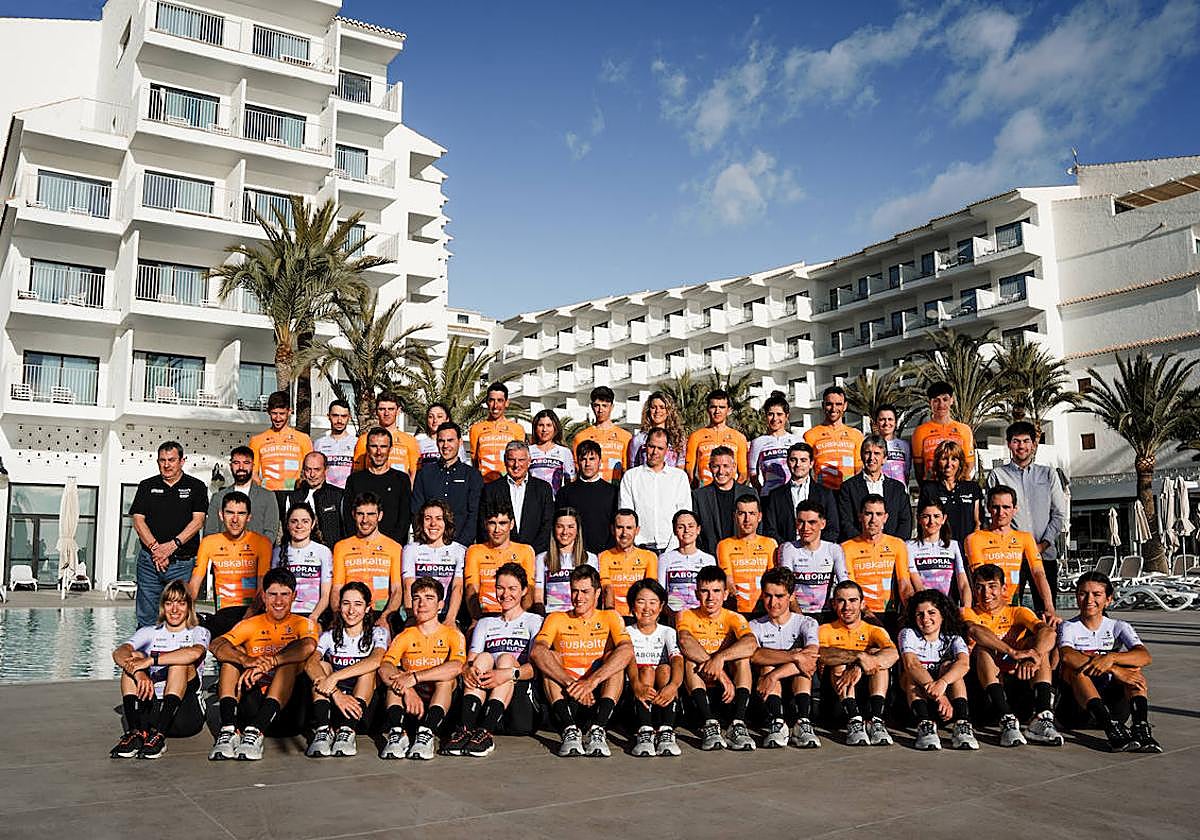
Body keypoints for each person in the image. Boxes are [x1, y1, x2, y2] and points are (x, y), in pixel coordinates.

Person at [208, 567, 318, 761]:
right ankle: (228, 731)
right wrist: (247, 660)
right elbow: (216, 644)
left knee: (290, 663)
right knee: (230, 660)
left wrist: (270, 663)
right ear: (263, 597)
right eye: (272, 594)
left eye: (285, 595)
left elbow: (308, 646)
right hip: (254, 701)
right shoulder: (251, 623)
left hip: (288, 711)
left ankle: (256, 732)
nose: (278, 601)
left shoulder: (304, 623)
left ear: (294, 596)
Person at [531, 564, 634, 757]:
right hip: (567, 693)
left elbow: (627, 650)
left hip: (599, 696)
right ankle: (569, 731)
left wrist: (591, 682)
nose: (579, 598)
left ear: (597, 594)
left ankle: (598, 730)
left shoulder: (610, 616)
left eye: (585, 592)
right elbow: (537, 651)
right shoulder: (556, 618)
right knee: (550, 657)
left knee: (616, 660)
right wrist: (573, 685)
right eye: (575, 591)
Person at [443, 563, 545, 757]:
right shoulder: (485, 623)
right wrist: (470, 670)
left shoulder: (534, 621)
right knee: (482, 658)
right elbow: (470, 661)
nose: (505, 594)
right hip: (486, 694)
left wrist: (506, 674)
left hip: (520, 702)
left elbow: (536, 668)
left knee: (506, 659)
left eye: (512, 588)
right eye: (500, 588)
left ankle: (486, 732)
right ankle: (466, 728)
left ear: (524, 590)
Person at [1057, 571, 1161, 753]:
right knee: (1074, 670)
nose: (1089, 599)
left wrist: (1112, 657)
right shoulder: (1069, 627)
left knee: (1134, 669)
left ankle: (1141, 728)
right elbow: (1066, 655)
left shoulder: (1118, 626)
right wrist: (1114, 668)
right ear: (1076, 597)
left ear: (1108, 599)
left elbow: (1145, 656)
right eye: (1083, 593)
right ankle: (1110, 728)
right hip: (1076, 711)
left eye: (1096, 594)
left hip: (1115, 707)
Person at [961, 563, 1061, 747]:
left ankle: (1042, 715)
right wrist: (1012, 652)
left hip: (1019, 680)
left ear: (1004, 588)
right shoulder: (969, 612)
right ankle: (1006, 719)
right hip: (985, 687)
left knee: (1038, 645)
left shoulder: (1017, 611)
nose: (986, 594)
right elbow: (975, 631)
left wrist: (1034, 656)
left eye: (992, 587)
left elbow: (1049, 633)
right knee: (984, 648)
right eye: (980, 587)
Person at [110, 581, 210, 759]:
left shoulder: (198, 631)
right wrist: (139, 673)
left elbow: (194, 653)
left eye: (181, 603)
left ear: (189, 606)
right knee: (132, 660)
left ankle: (160, 736)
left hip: (185, 714)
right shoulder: (150, 631)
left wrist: (151, 660)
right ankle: (135, 733)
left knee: (179, 663)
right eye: (169, 603)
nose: (174, 609)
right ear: (163, 606)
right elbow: (119, 652)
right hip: (154, 707)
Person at [377, 577, 466, 759]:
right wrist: (407, 687)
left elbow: (457, 666)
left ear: (441, 605)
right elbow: (385, 667)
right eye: (416, 598)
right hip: (412, 701)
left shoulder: (453, 634)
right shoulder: (405, 635)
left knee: (445, 679)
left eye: (429, 598)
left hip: (441, 702)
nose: (421, 603)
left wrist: (415, 677)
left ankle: (427, 734)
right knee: (395, 680)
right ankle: (397, 733)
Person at [987, 421, 1068, 614]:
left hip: (1044, 554)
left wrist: (1042, 545)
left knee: (1046, 610)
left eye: (1026, 441)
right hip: (1010, 557)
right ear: (1009, 444)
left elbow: (1059, 514)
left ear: (1033, 444)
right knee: (1007, 609)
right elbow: (990, 515)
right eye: (1016, 441)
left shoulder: (1048, 474)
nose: (1021, 446)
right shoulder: (998, 475)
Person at [675, 565, 758, 751]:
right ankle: (709, 724)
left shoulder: (734, 617)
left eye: (716, 591)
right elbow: (685, 641)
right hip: (700, 686)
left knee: (742, 659)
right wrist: (720, 672)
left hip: (727, 692)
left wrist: (720, 658)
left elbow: (751, 644)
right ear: (697, 594)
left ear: (726, 594)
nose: (710, 597)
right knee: (690, 660)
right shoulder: (686, 614)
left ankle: (738, 723)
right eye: (705, 591)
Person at [303, 581, 387, 757]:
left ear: (367, 608)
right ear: (339, 606)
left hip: (362, 708)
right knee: (322, 666)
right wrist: (335, 692)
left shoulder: (378, 632)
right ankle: (323, 731)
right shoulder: (328, 636)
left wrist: (334, 677)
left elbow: (376, 660)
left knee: (367, 671)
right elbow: (310, 664)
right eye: (346, 603)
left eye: (358, 604)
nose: (351, 610)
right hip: (334, 702)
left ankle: (347, 731)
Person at [130, 441, 208, 628]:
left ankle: (177, 655)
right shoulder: (146, 486)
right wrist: (157, 549)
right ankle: (146, 655)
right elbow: (138, 521)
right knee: (147, 618)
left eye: (171, 460)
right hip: (150, 562)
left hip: (182, 563)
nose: (166, 465)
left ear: (182, 461)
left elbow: (198, 521)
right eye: (162, 460)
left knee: (179, 616)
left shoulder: (196, 487)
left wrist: (171, 547)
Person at [817, 580, 898, 746]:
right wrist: (859, 656)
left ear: (862, 604)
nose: (847, 607)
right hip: (836, 696)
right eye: (841, 601)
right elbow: (820, 655)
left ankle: (876, 721)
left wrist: (860, 665)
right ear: (833, 604)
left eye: (853, 601)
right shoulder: (824, 629)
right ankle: (854, 721)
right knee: (837, 662)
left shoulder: (874, 630)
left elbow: (893, 654)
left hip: (868, 692)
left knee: (877, 658)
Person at [965, 485, 1058, 626]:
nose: (1000, 512)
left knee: (1048, 632)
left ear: (1015, 509)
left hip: (1013, 608)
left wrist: (1049, 607)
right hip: (985, 609)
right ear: (989, 509)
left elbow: (1038, 573)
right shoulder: (974, 539)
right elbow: (981, 577)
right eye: (995, 507)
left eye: (1006, 507)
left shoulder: (1025, 538)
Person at [749, 567, 821, 749]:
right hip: (768, 693)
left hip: (795, 685)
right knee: (767, 666)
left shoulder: (807, 622)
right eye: (768, 596)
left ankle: (803, 723)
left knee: (802, 668)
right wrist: (794, 655)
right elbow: (755, 655)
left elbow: (811, 657)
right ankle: (777, 723)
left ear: (791, 596)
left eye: (779, 596)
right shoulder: (754, 625)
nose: (773, 603)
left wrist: (774, 676)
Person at [898, 589, 977, 751]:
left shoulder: (953, 637)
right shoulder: (908, 634)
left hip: (948, 700)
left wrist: (942, 683)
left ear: (942, 614)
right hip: (920, 698)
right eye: (920, 614)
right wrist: (940, 696)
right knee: (910, 675)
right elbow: (912, 664)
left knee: (950, 667)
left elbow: (964, 664)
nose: (925, 619)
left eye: (931, 612)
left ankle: (962, 724)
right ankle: (924, 725)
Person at [187, 491, 273, 638]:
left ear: (249, 517)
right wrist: (184, 615)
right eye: (230, 513)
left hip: (252, 613)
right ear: (221, 515)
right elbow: (194, 586)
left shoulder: (262, 543)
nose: (235, 519)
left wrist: (244, 621)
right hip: (223, 614)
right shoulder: (209, 543)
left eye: (241, 514)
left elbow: (262, 590)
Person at [624, 578, 685, 756]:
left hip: (663, 697)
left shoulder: (668, 632)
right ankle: (645, 731)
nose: (646, 608)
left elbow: (678, 661)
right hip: (634, 697)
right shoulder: (626, 632)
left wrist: (673, 686)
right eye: (641, 602)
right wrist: (637, 685)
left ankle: (666, 731)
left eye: (653, 602)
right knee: (646, 670)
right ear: (632, 606)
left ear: (661, 606)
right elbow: (628, 663)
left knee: (665, 669)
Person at [331, 493, 405, 629]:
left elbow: (397, 590)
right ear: (353, 515)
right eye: (360, 514)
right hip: (350, 614)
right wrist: (338, 615)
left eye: (371, 514)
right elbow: (336, 589)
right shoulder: (341, 547)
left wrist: (385, 617)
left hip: (380, 613)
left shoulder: (394, 547)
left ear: (380, 516)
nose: (365, 520)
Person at [840, 494, 913, 626]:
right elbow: (849, 589)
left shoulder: (898, 544)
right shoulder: (846, 548)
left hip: (890, 613)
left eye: (878, 514)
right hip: (859, 614)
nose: (873, 519)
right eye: (868, 513)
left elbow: (904, 584)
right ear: (860, 516)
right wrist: (866, 613)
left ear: (885, 518)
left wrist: (911, 609)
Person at [618, 428, 693, 553]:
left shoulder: (679, 477)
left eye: (660, 448)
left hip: (672, 548)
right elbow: (626, 514)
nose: (654, 452)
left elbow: (684, 514)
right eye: (651, 446)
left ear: (667, 450)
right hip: (639, 547)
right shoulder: (631, 476)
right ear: (645, 447)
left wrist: (673, 546)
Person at [411, 421, 483, 548]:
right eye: (441, 441)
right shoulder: (424, 474)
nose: (445, 445)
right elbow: (417, 511)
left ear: (460, 442)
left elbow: (474, 514)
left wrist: (460, 546)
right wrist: (425, 541)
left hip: (461, 546)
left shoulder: (472, 475)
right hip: (428, 546)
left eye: (450, 440)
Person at [477, 440, 554, 553]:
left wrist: (531, 553)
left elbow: (547, 525)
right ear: (505, 460)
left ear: (529, 461)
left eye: (521, 460)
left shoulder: (543, 489)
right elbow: (483, 526)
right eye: (512, 460)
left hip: (535, 556)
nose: (516, 465)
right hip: (500, 555)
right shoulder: (491, 490)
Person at [465, 502, 536, 618]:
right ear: (485, 524)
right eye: (492, 523)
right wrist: (476, 620)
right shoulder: (475, 551)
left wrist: (520, 619)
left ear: (512, 524)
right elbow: (471, 589)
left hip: (516, 614)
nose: (497, 529)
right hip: (485, 615)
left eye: (503, 523)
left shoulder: (525, 551)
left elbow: (529, 590)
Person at [776, 500, 847, 616]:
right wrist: (801, 618)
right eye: (801, 522)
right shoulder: (788, 548)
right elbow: (785, 588)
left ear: (823, 524)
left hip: (827, 614)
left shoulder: (834, 549)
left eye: (812, 522)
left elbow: (844, 583)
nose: (805, 528)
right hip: (796, 613)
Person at [342, 427, 412, 544]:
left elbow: (404, 519)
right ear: (367, 449)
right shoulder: (355, 480)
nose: (379, 452)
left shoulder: (401, 480)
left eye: (383, 447)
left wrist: (390, 545)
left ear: (390, 449)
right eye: (374, 446)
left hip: (391, 547)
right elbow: (349, 516)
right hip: (360, 547)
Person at [249, 390, 313, 515]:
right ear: (268, 412)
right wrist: (261, 492)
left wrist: (301, 487)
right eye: (274, 413)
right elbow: (253, 473)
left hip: (295, 494)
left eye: (282, 414)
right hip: (269, 495)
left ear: (289, 412)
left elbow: (309, 469)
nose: (278, 418)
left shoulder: (303, 439)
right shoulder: (257, 440)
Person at [837, 434, 912, 542]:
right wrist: (864, 543)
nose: (872, 458)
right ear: (862, 456)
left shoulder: (898, 488)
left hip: (891, 551)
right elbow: (845, 522)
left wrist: (892, 545)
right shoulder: (848, 487)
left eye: (877, 453)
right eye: (868, 453)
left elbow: (905, 522)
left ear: (884, 458)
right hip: (859, 549)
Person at [403, 500, 466, 624]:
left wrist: (450, 619)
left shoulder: (459, 550)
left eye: (438, 518)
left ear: (446, 522)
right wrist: (411, 617)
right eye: (428, 518)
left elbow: (457, 587)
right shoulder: (410, 549)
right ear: (421, 522)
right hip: (419, 615)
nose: (433, 524)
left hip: (446, 614)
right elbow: (408, 585)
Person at [763, 442, 839, 544]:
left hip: (818, 554)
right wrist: (788, 548)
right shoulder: (775, 496)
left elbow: (832, 529)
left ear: (811, 463)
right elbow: (770, 530)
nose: (798, 464)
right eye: (793, 460)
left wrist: (816, 549)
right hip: (787, 553)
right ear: (788, 462)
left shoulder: (825, 494)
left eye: (803, 460)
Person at [716, 494, 778, 616]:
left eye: (752, 513)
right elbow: (727, 579)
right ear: (735, 516)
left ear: (759, 516)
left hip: (765, 610)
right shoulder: (724, 545)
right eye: (742, 513)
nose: (747, 519)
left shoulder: (770, 544)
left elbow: (773, 580)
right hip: (736, 611)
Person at [205, 445, 279, 545]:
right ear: (231, 465)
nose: (241, 467)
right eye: (236, 463)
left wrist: (257, 552)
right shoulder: (218, 497)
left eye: (246, 463)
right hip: (225, 557)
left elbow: (271, 532)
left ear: (253, 465)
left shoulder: (268, 496)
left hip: (256, 555)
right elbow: (210, 533)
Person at [272, 502, 332, 623]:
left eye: (305, 521)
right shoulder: (277, 552)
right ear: (287, 525)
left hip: (313, 614)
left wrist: (314, 617)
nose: (299, 526)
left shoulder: (323, 551)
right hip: (283, 614)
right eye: (294, 521)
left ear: (313, 524)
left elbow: (326, 595)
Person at [557, 439, 619, 556]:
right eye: (583, 459)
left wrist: (608, 551)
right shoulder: (565, 492)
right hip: (574, 555)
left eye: (592, 459)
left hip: (605, 554)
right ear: (578, 462)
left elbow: (615, 525)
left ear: (599, 461)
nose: (587, 464)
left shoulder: (613, 492)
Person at [917, 439, 982, 551]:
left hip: (968, 548)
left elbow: (978, 522)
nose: (949, 464)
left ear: (960, 463)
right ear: (938, 462)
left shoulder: (972, 487)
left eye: (954, 459)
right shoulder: (929, 488)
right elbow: (923, 521)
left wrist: (973, 547)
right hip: (940, 550)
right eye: (944, 459)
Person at [906, 502, 971, 607]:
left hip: (949, 607)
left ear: (944, 518)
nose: (932, 521)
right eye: (926, 516)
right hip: (925, 608)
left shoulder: (954, 545)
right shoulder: (910, 546)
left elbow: (963, 584)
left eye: (936, 516)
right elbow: (917, 585)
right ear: (918, 519)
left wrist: (967, 612)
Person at [692, 446, 755, 555]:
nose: (721, 471)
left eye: (726, 466)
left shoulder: (749, 493)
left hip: (743, 557)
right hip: (710, 557)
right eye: (716, 466)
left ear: (734, 466)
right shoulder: (699, 496)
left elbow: (757, 526)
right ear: (710, 467)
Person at [597, 509, 658, 618]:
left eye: (629, 528)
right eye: (619, 527)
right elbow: (607, 588)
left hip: (640, 617)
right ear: (612, 529)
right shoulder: (603, 556)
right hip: (613, 614)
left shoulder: (650, 556)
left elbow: (651, 591)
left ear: (637, 530)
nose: (624, 533)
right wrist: (611, 617)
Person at [535, 507, 596, 614]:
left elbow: (594, 597)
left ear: (577, 530)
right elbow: (538, 597)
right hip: (552, 615)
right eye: (560, 527)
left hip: (580, 616)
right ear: (554, 529)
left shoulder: (590, 559)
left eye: (570, 527)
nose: (565, 532)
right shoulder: (541, 558)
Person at [911, 381, 976, 482]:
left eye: (945, 399)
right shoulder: (920, 432)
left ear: (952, 401)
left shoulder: (964, 430)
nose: (941, 405)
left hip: (958, 487)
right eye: (936, 400)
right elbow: (918, 468)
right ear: (930, 403)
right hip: (932, 487)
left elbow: (969, 464)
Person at [803, 386, 863, 492]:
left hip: (848, 492)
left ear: (845, 406)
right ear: (823, 405)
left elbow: (858, 469)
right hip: (822, 493)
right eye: (829, 404)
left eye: (838, 404)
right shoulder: (810, 435)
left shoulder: (856, 435)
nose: (833, 409)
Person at [684, 389, 749, 486]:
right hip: (705, 492)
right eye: (713, 407)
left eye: (722, 407)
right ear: (707, 409)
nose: (717, 411)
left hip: (730, 493)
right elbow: (689, 471)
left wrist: (734, 492)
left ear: (729, 410)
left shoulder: (739, 438)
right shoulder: (695, 436)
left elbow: (743, 473)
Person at [656, 510, 716, 615]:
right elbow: (661, 593)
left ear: (698, 529)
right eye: (681, 527)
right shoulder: (664, 559)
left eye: (691, 526)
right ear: (674, 531)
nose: (686, 530)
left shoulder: (709, 560)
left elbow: (712, 591)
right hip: (674, 615)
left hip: (701, 615)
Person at [352, 391, 420, 476]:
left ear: (398, 411)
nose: (386, 413)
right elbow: (357, 473)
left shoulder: (410, 441)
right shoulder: (364, 440)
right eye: (382, 409)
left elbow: (414, 473)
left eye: (391, 409)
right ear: (376, 411)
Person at [284, 451, 345, 546]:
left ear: (326, 469)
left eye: (317, 470)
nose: (312, 475)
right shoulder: (293, 497)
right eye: (308, 470)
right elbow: (287, 529)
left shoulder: (338, 495)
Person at [573, 386, 633, 482]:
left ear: (612, 407)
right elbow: (576, 471)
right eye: (597, 405)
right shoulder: (580, 437)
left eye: (605, 405)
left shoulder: (626, 437)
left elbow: (627, 470)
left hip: (615, 491)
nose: (600, 410)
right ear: (592, 406)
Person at [748, 391, 801, 497]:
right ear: (765, 416)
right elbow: (753, 473)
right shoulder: (758, 442)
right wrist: (762, 492)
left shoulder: (797, 441)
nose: (775, 418)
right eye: (770, 414)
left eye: (779, 414)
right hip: (768, 496)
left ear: (787, 416)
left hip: (793, 495)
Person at [469, 382, 526, 483]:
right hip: (484, 485)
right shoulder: (476, 429)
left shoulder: (517, 429)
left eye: (500, 400)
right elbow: (475, 461)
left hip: (507, 485)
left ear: (506, 402)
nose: (495, 405)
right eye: (492, 400)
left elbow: (521, 459)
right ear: (487, 402)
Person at [628, 391, 685, 469]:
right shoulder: (639, 439)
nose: (657, 411)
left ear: (669, 411)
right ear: (648, 410)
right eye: (653, 407)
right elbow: (633, 467)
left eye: (662, 407)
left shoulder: (678, 438)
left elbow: (680, 467)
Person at [528, 409, 576, 495]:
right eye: (541, 425)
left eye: (549, 425)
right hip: (533, 502)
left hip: (555, 502)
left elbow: (571, 481)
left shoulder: (565, 452)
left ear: (555, 428)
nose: (544, 429)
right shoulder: (528, 451)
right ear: (535, 428)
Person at [313, 399, 356, 489]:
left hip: (349, 493)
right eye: (335, 416)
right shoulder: (318, 443)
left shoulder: (356, 443)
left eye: (344, 416)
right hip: (325, 493)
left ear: (349, 417)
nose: (339, 420)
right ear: (328, 416)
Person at [415, 402, 468, 470]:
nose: (435, 420)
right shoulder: (419, 444)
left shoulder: (455, 442)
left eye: (439, 416)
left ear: (447, 419)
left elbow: (462, 465)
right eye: (430, 417)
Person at [872, 404, 911, 485]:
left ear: (895, 422)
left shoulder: (905, 446)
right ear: (876, 423)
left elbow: (907, 472)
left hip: (900, 493)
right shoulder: (870, 445)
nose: (886, 423)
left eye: (890, 419)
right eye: (882, 419)